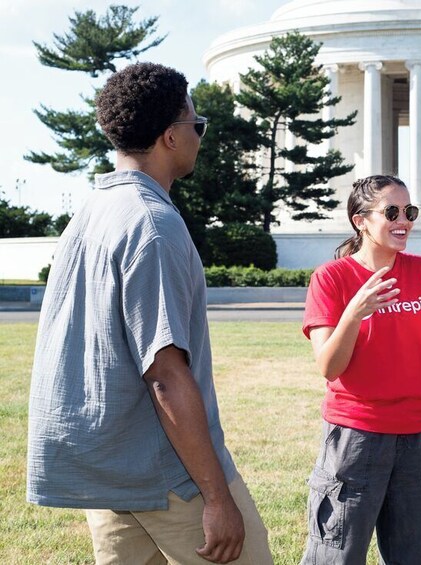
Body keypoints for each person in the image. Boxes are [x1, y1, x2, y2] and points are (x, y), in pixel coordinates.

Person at [26, 62, 272, 564]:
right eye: (196, 125)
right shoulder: (153, 224)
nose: (200, 137)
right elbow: (163, 372)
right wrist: (217, 498)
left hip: (110, 468)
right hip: (163, 472)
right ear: (169, 137)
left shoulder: (93, 211)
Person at [299, 174, 421, 563]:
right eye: (392, 211)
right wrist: (354, 313)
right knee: (335, 555)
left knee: (416, 557)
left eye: (410, 211)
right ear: (361, 220)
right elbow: (329, 366)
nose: (403, 220)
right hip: (357, 437)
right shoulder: (332, 277)